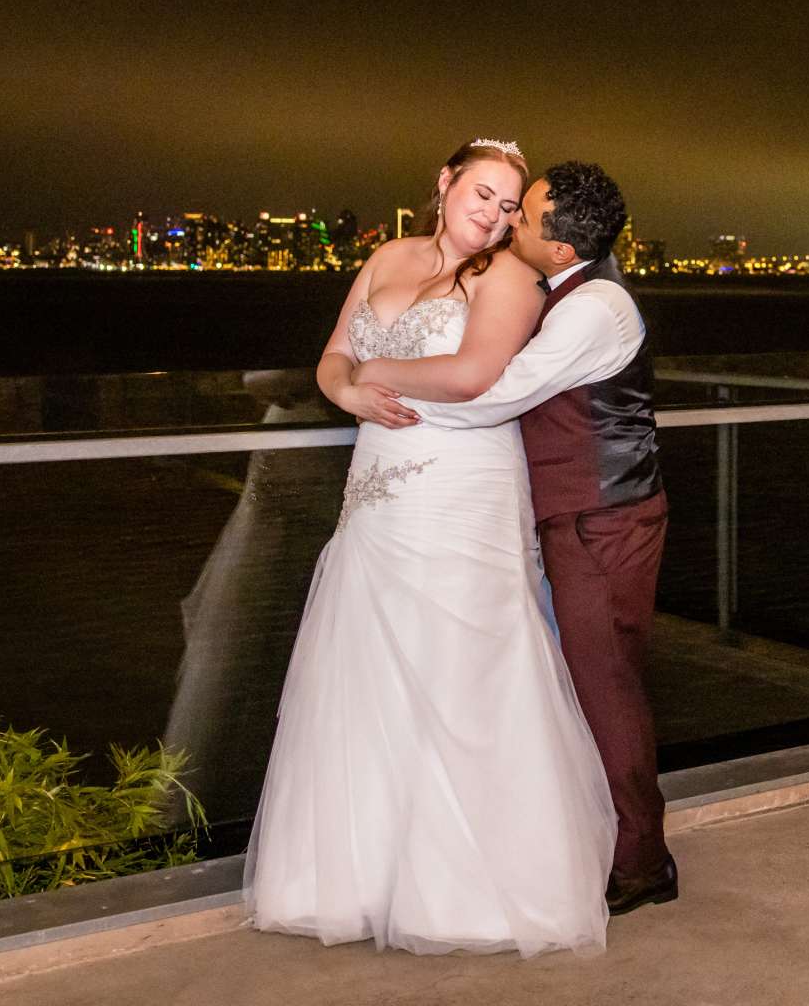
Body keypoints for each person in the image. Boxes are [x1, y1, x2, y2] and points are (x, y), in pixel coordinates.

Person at [242, 140, 614, 957]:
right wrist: (345, 388)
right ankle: (353, 878)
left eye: (510, 205)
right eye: (482, 193)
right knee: (367, 666)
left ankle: (464, 894)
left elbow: (478, 372)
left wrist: (377, 369)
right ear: (444, 184)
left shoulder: (508, 276)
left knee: (459, 666)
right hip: (376, 482)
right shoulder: (384, 255)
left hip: (459, 483)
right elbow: (333, 359)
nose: (494, 213)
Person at [354, 159, 676, 916]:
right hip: (588, 515)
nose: (509, 223)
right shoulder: (568, 291)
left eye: (524, 217)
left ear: (562, 249)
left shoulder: (593, 310)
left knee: (607, 689)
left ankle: (642, 863)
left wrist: (382, 390)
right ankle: (615, 839)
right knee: (592, 683)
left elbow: (498, 394)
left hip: (603, 522)